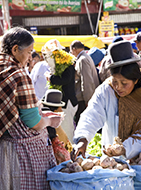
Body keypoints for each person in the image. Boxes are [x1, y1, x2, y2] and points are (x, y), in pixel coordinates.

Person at [71, 40, 141, 162]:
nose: (118, 87)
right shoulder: (106, 90)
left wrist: (124, 148)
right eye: (115, 82)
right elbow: (92, 114)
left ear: (135, 80)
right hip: (112, 163)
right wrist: (83, 138)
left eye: (124, 83)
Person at [0, 27, 63, 190]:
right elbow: (33, 122)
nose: (30, 58)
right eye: (28, 52)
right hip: (21, 155)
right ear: (15, 49)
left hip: (4, 148)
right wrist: (51, 120)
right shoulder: (18, 75)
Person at [41, 39, 78, 143]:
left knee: (67, 129)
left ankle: (70, 151)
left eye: (48, 57)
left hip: (68, 103)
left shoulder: (68, 66)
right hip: (62, 103)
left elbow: (65, 80)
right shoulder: (59, 67)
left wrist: (50, 78)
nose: (46, 60)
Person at [70, 40, 100, 126]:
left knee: (83, 125)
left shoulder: (82, 59)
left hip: (84, 99)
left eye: (71, 51)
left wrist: (88, 100)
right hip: (86, 97)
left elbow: (87, 81)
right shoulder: (86, 57)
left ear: (74, 49)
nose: (71, 53)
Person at [41, 89, 73, 164]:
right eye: (60, 109)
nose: (62, 111)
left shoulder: (41, 120)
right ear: (55, 111)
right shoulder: (55, 128)